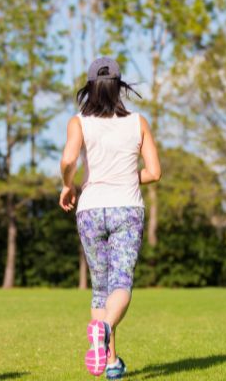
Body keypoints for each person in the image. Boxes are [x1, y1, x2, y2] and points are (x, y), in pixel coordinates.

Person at [59, 57, 161, 379]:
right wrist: (129, 178)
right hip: (127, 208)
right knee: (121, 283)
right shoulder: (138, 122)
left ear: (89, 88)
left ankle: (112, 364)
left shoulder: (78, 122)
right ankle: (102, 328)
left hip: (89, 209)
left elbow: (68, 159)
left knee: (100, 288)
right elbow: (155, 173)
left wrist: (67, 185)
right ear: (119, 86)